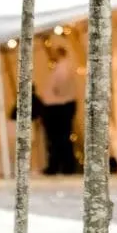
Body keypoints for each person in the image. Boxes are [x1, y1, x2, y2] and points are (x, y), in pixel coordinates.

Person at [37, 38, 79, 175]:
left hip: (59, 107)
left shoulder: (63, 67)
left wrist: (56, 93)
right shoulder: (63, 66)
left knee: (58, 138)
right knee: (59, 138)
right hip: (60, 105)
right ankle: (60, 165)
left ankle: (60, 166)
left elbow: (61, 86)